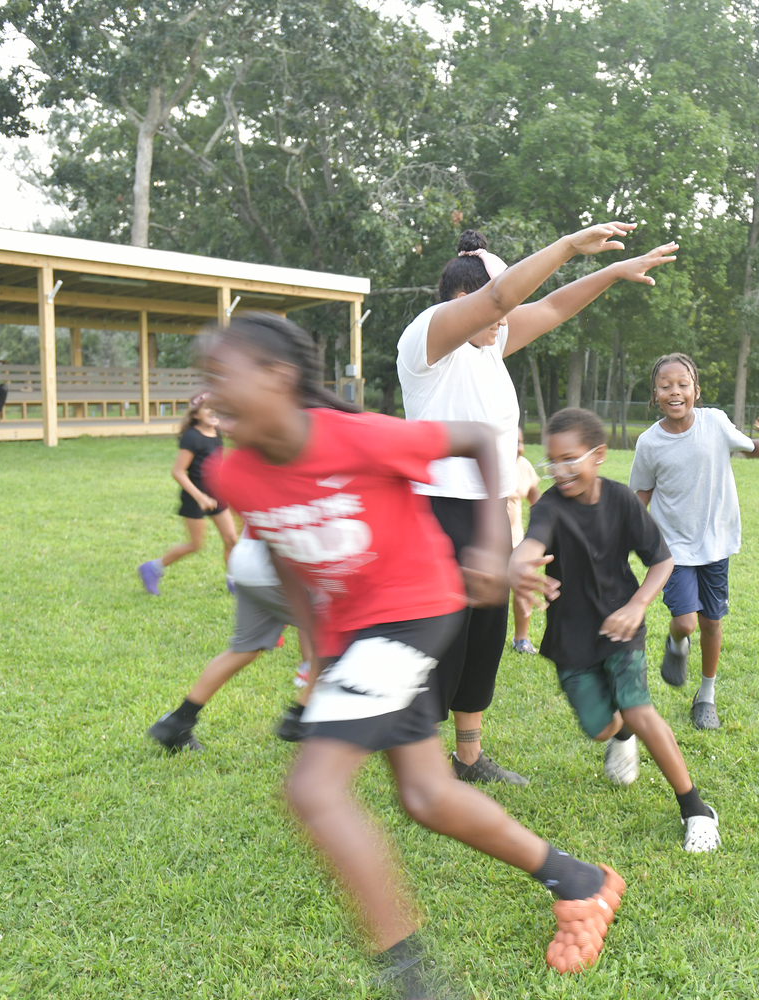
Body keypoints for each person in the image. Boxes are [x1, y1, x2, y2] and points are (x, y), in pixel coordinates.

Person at [201, 311, 625, 986]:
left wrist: (490, 542)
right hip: (356, 635)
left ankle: (413, 979)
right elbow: (283, 551)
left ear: (278, 378)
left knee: (313, 788)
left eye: (222, 376)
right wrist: (316, 653)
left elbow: (481, 442)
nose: (208, 395)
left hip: (415, 606)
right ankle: (579, 882)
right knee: (426, 796)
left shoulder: (357, 437)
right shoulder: (237, 475)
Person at [398, 224, 678, 786]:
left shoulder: (488, 345)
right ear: (463, 302)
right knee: (441, 638)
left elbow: (550, 306)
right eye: (493, 306)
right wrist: (572, 244)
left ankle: (469, 759)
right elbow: (502, 298)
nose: (505, 318)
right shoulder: (428, 341)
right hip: (438, 514)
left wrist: (612, 273)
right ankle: (422, 769)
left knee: (483, 640)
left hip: (489, 513)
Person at [510, 408, 720, 853]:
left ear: (599, 454)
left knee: (640, 709)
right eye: (552, 461)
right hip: (571, 640)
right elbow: (528, 546)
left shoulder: (623, 501)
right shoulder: (549, 506)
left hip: (623, 629)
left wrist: (638, 605)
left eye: (570, 459)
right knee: (603, 727)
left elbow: (662, 561)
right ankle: (620, 737)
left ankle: (696, 810)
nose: (560, 471)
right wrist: (519, 567)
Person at [628, 353, 759, 730]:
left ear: (696, 389)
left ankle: (706, 695)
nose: (674, 392)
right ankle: (677, 642)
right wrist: (620, 539)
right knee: (687, 622)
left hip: (716, 543)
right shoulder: (649, 443)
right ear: (655, 394)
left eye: (682, 384)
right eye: (665, 386)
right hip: (672, 546)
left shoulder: (715, 422)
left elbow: (752, 448)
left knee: (712, 622)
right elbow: (640, 496)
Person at [145, 534, 316, 751]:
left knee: (245, 648)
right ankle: (302, 717)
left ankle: (178, 721)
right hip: (287, 561)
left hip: (247, 562)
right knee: (339, 638)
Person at [137, 396, 240, 595]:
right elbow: (177, 471)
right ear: (196, 413)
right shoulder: (192, 437)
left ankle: (234, 582)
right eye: (207, 408)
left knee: (231, 540)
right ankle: (152, 568)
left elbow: (215, 456)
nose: (213, 412)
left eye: (216, 407)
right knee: (195, 544)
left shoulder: (216, 432)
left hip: (215, 493)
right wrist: (200, 497)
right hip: (194, 496)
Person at [508, 427, 542, 655]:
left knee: (523, 589)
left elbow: (534, 497)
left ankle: (521, 638)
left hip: (517, 542)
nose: (518, 447)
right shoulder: (486, 463)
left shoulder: (523, 466)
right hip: (489, 543)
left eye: (520, 442)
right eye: (512, 442)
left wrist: (540, 530)